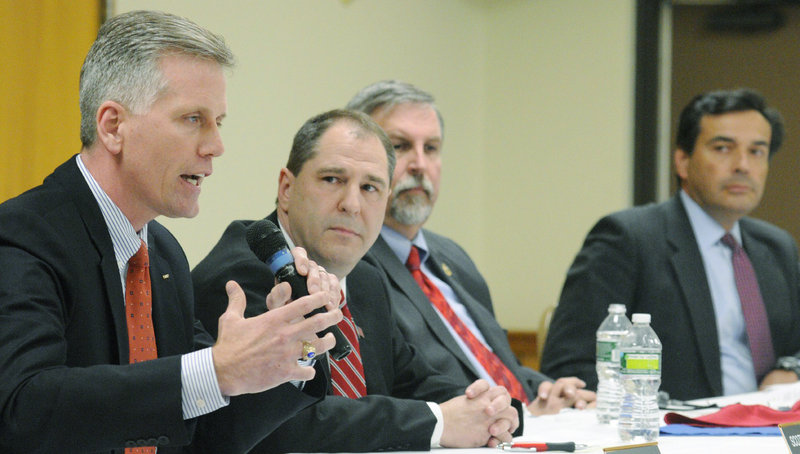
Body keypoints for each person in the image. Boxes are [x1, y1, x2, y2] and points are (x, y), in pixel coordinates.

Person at [0, 11, 344, 453]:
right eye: (192, 119)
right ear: (113, 126)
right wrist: (218, 370)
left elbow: (206, 431)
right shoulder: (23, 237)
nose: (216, 146)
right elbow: (23, 408)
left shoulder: (162, 255)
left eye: (219, 121)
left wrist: (289, 347)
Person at [192, 109, 521, 453]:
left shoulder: (365, 280)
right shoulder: (239, 278)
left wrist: (490, 410)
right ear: (287, 189)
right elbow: (284, 425)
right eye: (333, 179)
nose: (351, 204)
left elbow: (415, 380)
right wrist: (439, 422)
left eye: (370, 187)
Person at [348, 80, 594, 414]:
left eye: (431, 148)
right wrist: (510, 410)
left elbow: (492, 362)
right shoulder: (351, 263)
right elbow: (398, 388)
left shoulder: (451, 256)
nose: (420, 164)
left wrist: (544, 390)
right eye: (401, 146)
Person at [541, 88, 800, 401]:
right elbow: (569, 365)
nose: (743, 165)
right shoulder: (627, 238)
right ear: (682, 161)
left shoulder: (776, 247)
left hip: (775, 430)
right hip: (676, 432)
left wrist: (791, 368)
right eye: (722, 148)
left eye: (757, 151)